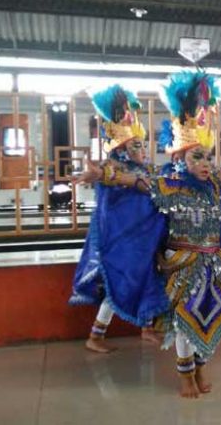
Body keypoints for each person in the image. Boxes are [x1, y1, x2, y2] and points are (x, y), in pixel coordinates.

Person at [77, 71, 221, 398]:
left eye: (208, 156)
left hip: (212, 265)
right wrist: (100, 173)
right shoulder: (168, 185)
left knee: (205, 318)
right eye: (196, 156)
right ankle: (186, 376)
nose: (205, 162)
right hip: (181, 267)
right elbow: (134, 182)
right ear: (180, 158)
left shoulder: (214, 184)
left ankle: (199, 368)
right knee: (184, 320)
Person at [69, 85, 167, 353]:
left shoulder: (144, 169)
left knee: (147, 281)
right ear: (123, 148)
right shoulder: (115, 167)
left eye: (143, 144)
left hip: (144, 239)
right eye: (137, 145)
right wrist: (98, 173)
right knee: (121, 285)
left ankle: (146, 328)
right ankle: (96, 336)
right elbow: (106, 176)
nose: (143, 149)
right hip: (124, 241)